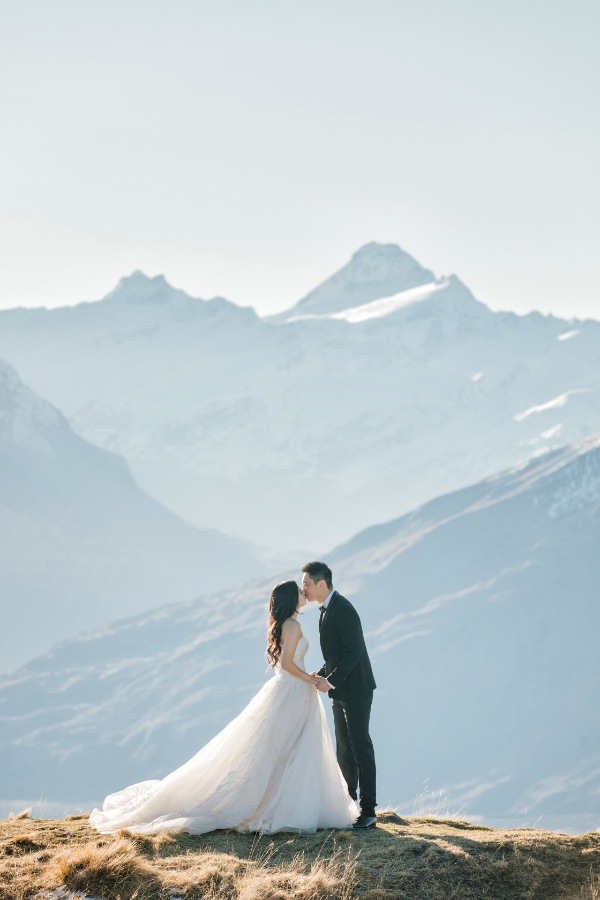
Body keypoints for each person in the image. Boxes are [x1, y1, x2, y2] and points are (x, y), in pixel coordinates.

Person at [89, 580, 357, 835]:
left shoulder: (286, 624)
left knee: (282, 748)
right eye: (299, 591)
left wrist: (305, 678)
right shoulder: (293, 626)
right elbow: (287, 664)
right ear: (291, 599)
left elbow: (286, 664)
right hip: (293, 692)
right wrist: (309, 678)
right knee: (285, 748)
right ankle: (280, 806)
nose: (304, 592)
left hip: (290, 691)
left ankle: (279, 801)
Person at [301, 561, 377, 829]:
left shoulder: (343, 609)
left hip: (356, 689)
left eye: (307, 584)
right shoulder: (324, 611)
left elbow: (353, 652)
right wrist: (320, 675)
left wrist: (330, 682)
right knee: (344, 748)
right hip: (339, 689)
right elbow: (335, 655)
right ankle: (347, 806)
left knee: (360, 745)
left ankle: (368, 811)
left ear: (322, 584)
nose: (304, 589)